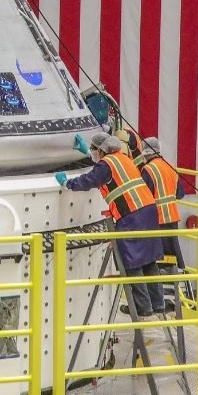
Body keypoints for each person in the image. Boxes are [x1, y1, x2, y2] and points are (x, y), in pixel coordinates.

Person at [57, 133, 166, 318]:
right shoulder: (122, 158)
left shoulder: (106, 164)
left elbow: (89, 180)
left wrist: (68, 183)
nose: (92, 152)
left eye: (92, 149)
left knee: (131, 261)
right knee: (149, 260)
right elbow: (106, 172)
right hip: (148, 209)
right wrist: (86, 153)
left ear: (101, 150)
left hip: (132, 214)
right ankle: (158, 303)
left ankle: (143, 307)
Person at [133, 135, 186, 266]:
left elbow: (144, 197)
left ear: (145, 153)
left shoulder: (148, 169)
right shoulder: (169, 167)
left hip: (157, 218)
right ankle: (177, 273)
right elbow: (180, 193)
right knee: (172, 251)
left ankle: (159, 281)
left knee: (157, 255)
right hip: (172, 217)